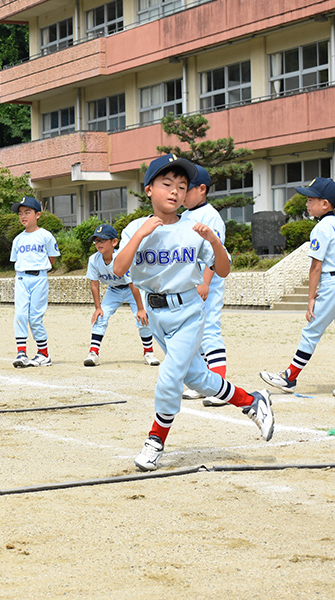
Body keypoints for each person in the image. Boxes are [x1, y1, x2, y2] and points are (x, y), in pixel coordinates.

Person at [114, 154, 274, 472]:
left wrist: (214, 241)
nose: (175, 191)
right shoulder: (136, 227)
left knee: (170, 376)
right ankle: (252, 401)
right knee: (198, 378)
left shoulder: (192, 229)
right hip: (158, 316)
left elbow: (224, 270)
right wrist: (142, 234)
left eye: (182, 186)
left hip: (188, 311)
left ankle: (155, 441)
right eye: (167, 184)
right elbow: (119, 269)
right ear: (149, 189)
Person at [259, 177, 335, 399]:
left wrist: (310, 299)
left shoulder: (321, 228)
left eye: (311, 199)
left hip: (333, 283)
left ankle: (290, 376)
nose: (307, 204)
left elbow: (316, 266)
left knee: (311, 331)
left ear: (325, 204)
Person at [179, 165, 230, 406]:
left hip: (207, 282)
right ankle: (203, 383)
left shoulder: (210, 216)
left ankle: (220, 387)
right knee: (195, 334)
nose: (181, 194)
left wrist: (206, 283)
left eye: (185, 189)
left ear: (202, 189)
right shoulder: (186, 215)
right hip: (191, 283)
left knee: (209, 329)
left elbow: (214, 251)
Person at [82, 223, 159, 367]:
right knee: (101, 316)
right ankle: (93, 353)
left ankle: (149, 352)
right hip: (114, 290)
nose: (99, 243)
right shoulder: (94, 259)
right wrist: (98, 307)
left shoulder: (122, 257)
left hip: (132, 289)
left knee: (142, 318)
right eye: (96, 240)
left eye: (103, 240)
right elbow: (94, 284)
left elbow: (133, 284)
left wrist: (141, 309)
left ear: (114, 242)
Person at [10, 196, 60, 367]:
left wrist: (40, 270)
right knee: (20, 314)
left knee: (35, 317)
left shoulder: (45, 235)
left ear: (38, 214)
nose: (23, 216)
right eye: (20, 213)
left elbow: (52, 258)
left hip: (39, 278)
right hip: (22, 278)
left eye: (27, 212)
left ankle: (43, 354)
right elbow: (16, 262)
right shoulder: (17, 239)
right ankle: (21, 352)